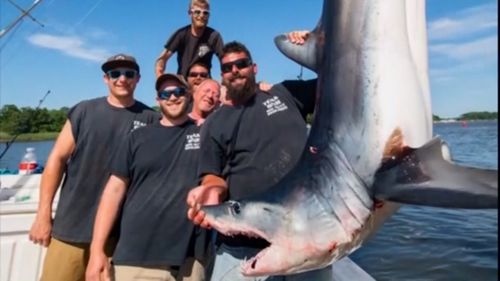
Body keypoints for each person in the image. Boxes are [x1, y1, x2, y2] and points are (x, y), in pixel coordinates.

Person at [186, 36, 331, 281]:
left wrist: (316, 43)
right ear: (222, 75)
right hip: (243, 248)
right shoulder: (214, 123)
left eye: (241, 64)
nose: (234, 70)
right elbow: (213, 175)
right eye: (227, 68)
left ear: (254, 68)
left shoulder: (285, 93)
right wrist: (210, 189)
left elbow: (338, 79)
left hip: (306, 240)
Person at [28, 53, 160, 281]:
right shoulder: (83, 111)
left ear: (138, 79)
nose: (121, 78)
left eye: (128, 73)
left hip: (117, 237)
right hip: (70, 230)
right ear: (105, 79)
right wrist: (43, 215)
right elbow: (56, 159)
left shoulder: (151, 119)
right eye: (114, 73)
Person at [86, 73, 210, 281]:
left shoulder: (207, 134)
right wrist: (96, 251)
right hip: (138, 258)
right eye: (165, 94)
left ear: (189, 96)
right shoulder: (137, 138)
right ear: (158, 100)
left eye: (178, 92)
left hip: (191, 261)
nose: (172, 98)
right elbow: (113, 191)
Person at [155, 0, 224, 78]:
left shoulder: (214, 36)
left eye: (205, 13)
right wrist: (160, 81)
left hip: (204, 84)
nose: (201, 16)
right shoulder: (180, 34)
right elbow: (162, 59)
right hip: (184, 84)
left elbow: (224, 60)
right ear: (190, 13)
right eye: (197, 12)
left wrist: (224, 84)